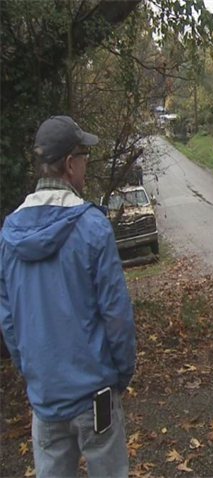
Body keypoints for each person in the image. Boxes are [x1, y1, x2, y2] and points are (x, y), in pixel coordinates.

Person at [0, 116, 136, 478]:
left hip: (45, 396)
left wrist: (33, 373)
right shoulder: (92, 226)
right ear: (69, 164)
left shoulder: (9, 233)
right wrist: (119, 375)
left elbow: (10, 321)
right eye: (84, 156)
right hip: (95, 394)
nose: (86, 165)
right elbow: (116, 315)